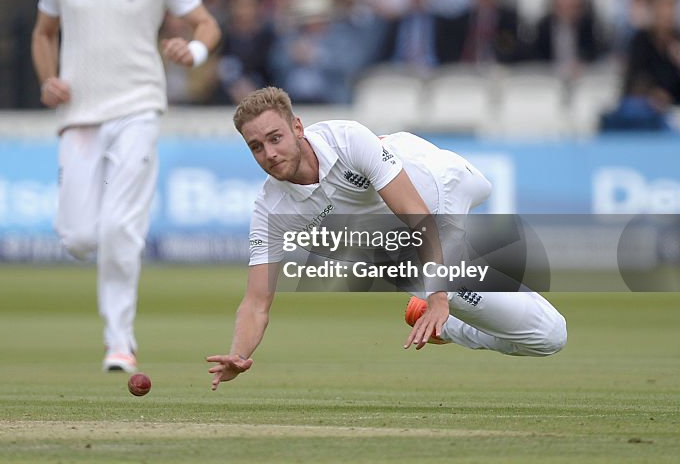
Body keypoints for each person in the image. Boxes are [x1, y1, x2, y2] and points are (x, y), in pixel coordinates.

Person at [207, 87, 567, 390]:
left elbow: (418, 216)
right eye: (256, 147)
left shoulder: (346, 139)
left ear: (297, 127)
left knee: (476, 191)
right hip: (408, 253)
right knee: (550, 336)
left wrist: (438, 298)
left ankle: (442, 311)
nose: (269, 153)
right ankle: (450, 327)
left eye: (275, 138)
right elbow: (256, 303)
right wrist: (239, 355)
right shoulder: (270, 212)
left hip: (441, 186)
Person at [32, 0, 221, 373]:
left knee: (120, 226)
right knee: (78, 239)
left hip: (138, 107)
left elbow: (207, 24)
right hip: (79, 114)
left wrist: (194, 49)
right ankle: (113, 313)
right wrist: (48, 79)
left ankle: (120, 342)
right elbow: (44, 32)